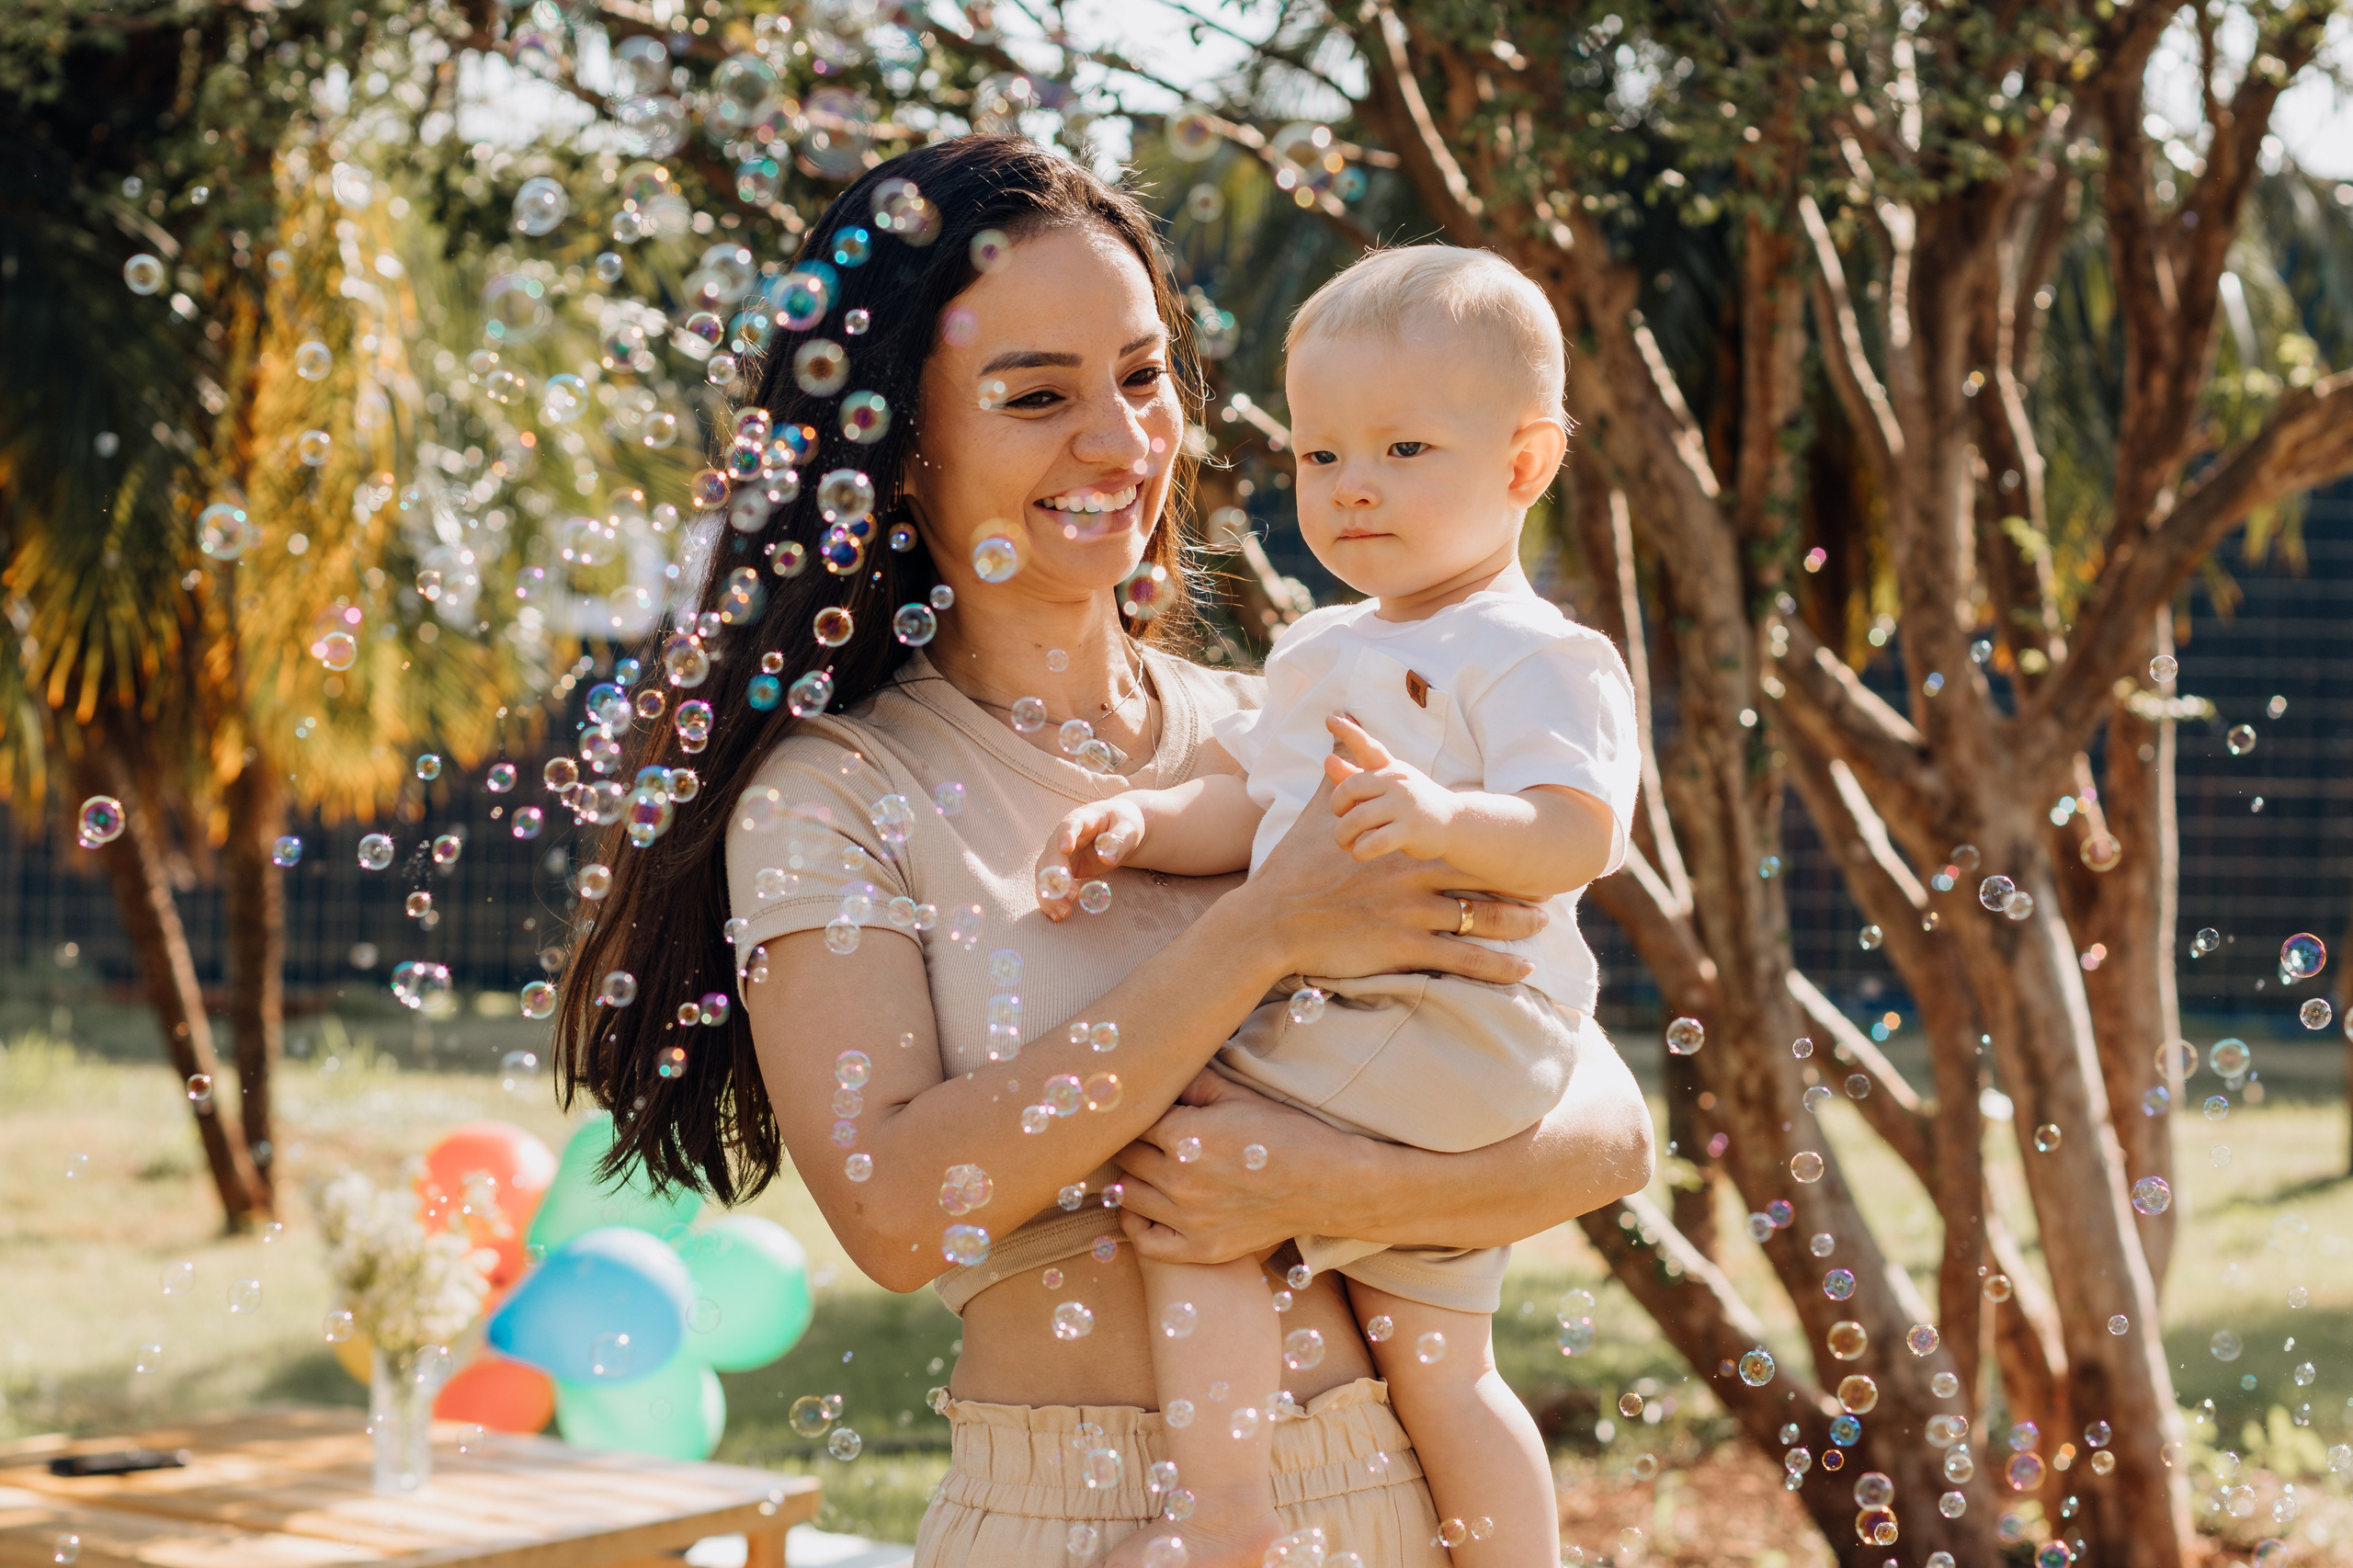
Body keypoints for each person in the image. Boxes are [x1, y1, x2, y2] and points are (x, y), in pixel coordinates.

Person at [554, 136, 1654, 1568]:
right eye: (1037, 396)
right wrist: (1262, 931)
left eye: (1144, 378)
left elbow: (1608, 1126)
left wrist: (1304, 1184)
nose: (1124, 444)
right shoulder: (842, 792)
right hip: (1076, 1521)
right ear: (903, 443)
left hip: (1398, 1500)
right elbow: (894, 1211)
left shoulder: (1282, 730)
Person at [1032, 247, 1637, 1567]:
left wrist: (1443, 820)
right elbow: (1257, 807)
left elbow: (1577, 832)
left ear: (1526, 464)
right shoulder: (1319, 649)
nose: (1353, 486)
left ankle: (1225, 1515)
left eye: (1407, 448)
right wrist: (1147, 823)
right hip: (1405, 1035)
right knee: (1446, 1365)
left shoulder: (1537, 653)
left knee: (1186, 1157)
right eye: (1320, 456)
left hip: (1448, 1016)